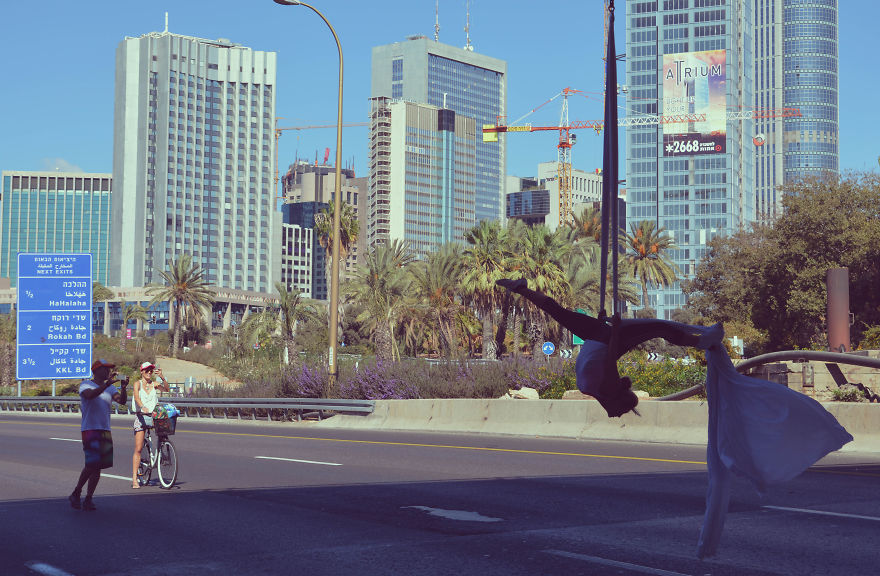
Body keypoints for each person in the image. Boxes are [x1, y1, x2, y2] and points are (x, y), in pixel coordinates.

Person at [496, 278, 722, 417]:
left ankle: (701, 341)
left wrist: (613, 329)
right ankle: (521, 289)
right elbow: (603, 375)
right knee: (557, 311)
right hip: (594, 337)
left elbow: (610, 356)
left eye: (629, 394)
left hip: (602, 338)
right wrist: (604, 325)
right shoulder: (590, 390)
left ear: (622, 394)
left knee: (659, 327)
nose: (630, 389)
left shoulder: (607, 388)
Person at [69, 358, 128, 511]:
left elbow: (121, 401)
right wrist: (107, 384)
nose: (108, 371)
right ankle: (77, 492)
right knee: (91, 464)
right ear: (96, 370)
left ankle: (88, 498)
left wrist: (123, 388)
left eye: (109, 368)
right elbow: (90, 395)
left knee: (98, 467)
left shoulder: (110, 388)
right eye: (105, 368)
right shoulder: (86, 384)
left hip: (105, 429)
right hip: (90, 429)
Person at [131, 361, 170, 488]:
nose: (149, 372)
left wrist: (163, 377)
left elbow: (167, 389)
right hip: (142, 417)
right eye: (146, 370)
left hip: (153, 417)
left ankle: (162, 453)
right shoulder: (137, 384)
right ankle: (135, 479)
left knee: (164, 433)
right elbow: (137, 397)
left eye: (151, 370)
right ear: (142, 371)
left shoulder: (154, 384)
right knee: (138, 448)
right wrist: (142, 407)